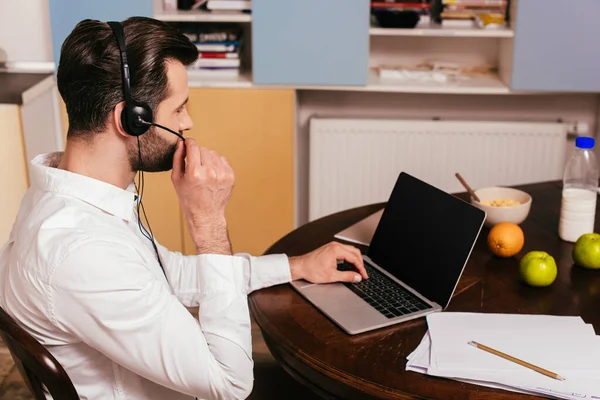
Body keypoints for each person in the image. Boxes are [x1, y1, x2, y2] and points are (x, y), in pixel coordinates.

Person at [0, 16, 368, 400]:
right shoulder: (83, 251)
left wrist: (296, 267)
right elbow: (231, 383)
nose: (188, 122)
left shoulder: (63, 195)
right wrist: (208, 222)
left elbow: (167, 274)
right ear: (131, 120)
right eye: (178, 109)